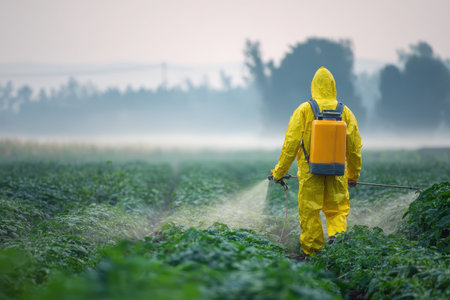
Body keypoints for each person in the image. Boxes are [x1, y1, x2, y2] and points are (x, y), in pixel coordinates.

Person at [271, 66, 362, 256]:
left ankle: (314, 254)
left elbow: (290, 145)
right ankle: (337, 243)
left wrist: (278, 173)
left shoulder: (304, 110)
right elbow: (354, 148)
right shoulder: (345, 112)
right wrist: (353, 175)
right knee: (337, 210)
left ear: (313, 87)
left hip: (310, 173)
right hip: (337, 172)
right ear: (333, 86)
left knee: (310, 212)